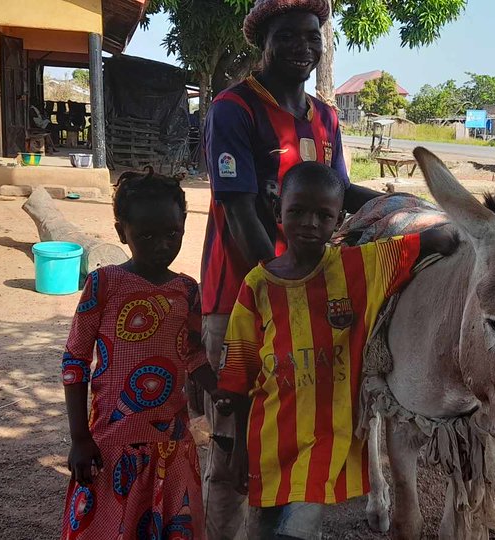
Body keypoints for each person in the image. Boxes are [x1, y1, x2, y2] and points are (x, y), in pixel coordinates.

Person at [199, 0, 383, 536]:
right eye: (289, 35)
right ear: (264, 41)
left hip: (307, 304)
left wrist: (400, 209)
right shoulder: (234, 110)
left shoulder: (325, 116)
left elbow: (341, 192)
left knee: (293, 431)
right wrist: (283, 288)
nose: (304, 46)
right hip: (241, 296)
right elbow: (237, 208)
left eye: (313, 35)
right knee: (234, 441)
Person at [213, 162, 459, 539]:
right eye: (297, 211)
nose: (310, 222)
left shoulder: (358, 267)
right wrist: (236, 451)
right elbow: (237, 379)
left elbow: (423, 243)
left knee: (297, 531)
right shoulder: (257, 287)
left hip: (322, 448)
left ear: (338, 219)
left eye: (323, 215)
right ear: (278, 210)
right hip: (268, 445)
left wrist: (454, 234)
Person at [59, 169, 223, 539]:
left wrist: (218, 390)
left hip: (172, 443)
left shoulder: (187, 290)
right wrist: (80, 438)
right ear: (122, 233)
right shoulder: (105, 284)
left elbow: (192, 353)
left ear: (183, 226)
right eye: (145, 235)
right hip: (112, 440)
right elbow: (74, 361)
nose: (162, 245)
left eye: (172, 234)